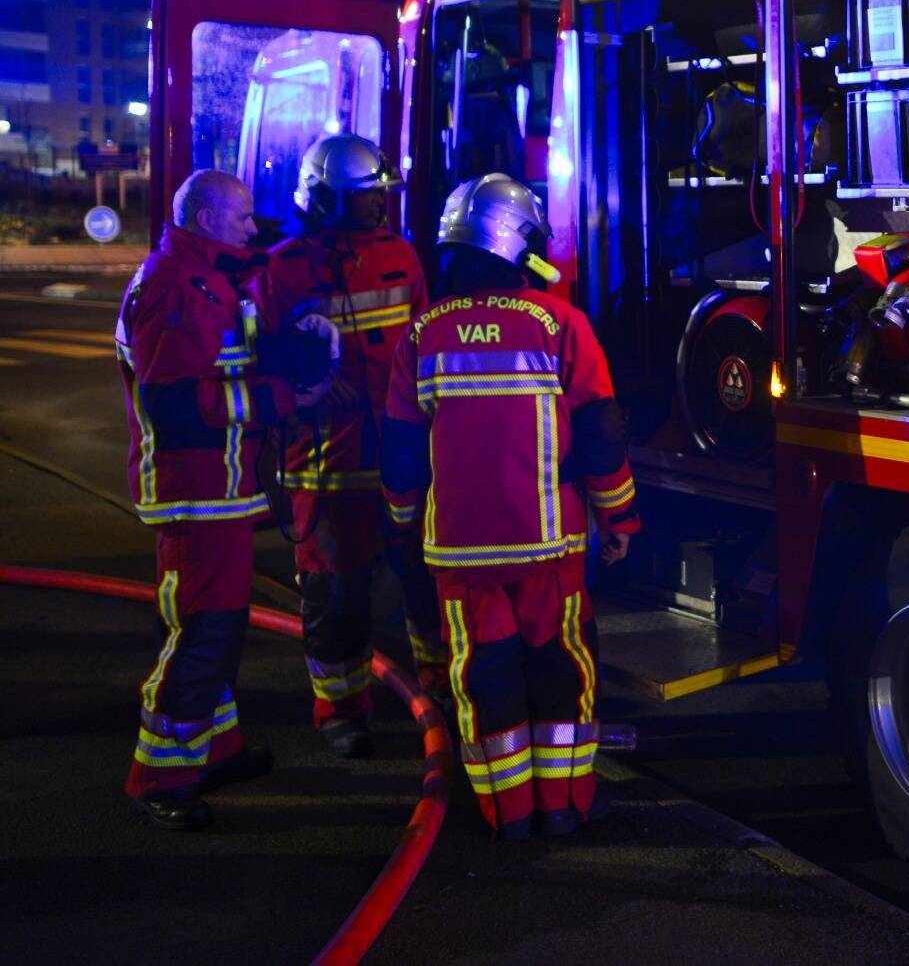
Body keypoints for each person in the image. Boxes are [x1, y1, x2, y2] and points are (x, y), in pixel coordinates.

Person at [381, 173, 638, 839]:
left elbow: (403, 454)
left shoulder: (420, 336)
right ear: (519, 243)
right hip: (549, 548)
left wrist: (405, 526)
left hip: (460, 557)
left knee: (482, 678)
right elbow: (601, 436)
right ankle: (567, 805)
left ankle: (509, 812)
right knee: (563, 673)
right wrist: (619, 521)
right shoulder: (562, 324)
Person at [116, 170, 329, 829]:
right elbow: (175, 404)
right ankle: (160, 774)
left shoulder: (201, 277)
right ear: (206, 220)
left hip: (219, 488)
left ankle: (213, 747)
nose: (251, 226)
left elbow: (224, 361)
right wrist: (282, 398)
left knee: (218, 624)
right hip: (196, 489)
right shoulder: (175, 286)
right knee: (201, 632)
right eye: (239, 217)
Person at [251, 134, 445, 758]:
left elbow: (424, 341)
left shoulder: (401, 256)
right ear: (327, 199)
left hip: (402, 452)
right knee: (336, 593)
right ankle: (341, 710)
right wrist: (301, 390)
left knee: (426, 581)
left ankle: (441, 696)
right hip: (324, 461)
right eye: (366, 197)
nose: (380, 206)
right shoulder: (280, 269)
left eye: (382, 194)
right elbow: (255, 359)